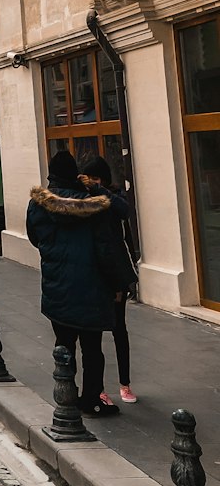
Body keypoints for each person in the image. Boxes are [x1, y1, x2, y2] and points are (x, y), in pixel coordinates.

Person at [26, 149, 131, 418]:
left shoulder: (38, 204)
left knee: (64, 343)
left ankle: (66, 392)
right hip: (92, 288)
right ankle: (92, 400)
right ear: (76, 175)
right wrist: (118, 283)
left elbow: (35, 238)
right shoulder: (93, 204)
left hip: (57, 286)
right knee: (92, 349)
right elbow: (114, 231)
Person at [80, 155, 139, 405]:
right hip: (95, 274)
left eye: (97, 177)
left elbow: (124, 211)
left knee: (119, 329)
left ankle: (125, 384)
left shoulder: (112, 197)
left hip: (116, 273)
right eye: (89, 178)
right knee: (93, 337)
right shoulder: (85, 200)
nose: (92, 182)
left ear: (103, 178)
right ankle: (99, 388)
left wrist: (98, 189)